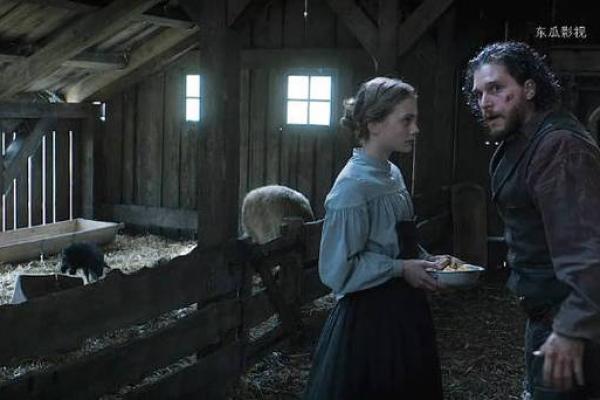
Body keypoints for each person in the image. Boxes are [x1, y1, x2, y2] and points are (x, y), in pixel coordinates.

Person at [463, 41, 600, 399]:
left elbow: (586, 250)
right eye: (479, 93)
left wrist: (570, 329)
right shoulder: (520, 142)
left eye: (496, 88)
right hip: (545, 316)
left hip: (573, 322)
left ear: (529, 88)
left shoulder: (560, 147)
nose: (485, 102)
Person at [303, 77, 453, 400]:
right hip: (369, 323)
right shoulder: (352, 187)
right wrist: (401, 269)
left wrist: (426, 260)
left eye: (415, 119)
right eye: (406, 120)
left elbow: (399, 240)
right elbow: (336, 270)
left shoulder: (392, 174)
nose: (415, 129)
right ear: (373, 124)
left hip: (406, 314)